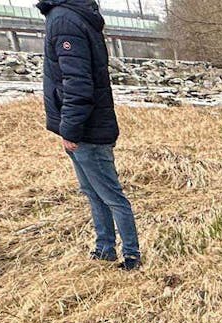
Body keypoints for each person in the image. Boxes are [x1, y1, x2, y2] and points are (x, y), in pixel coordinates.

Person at [38, 0, 141, 270]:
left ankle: (131, 256)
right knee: (93, 192)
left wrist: (69, 129)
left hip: (86, 130)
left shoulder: (64, 20)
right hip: (88, 127)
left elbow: (77, 83)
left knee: (110, 195)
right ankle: (104, 248)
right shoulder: (74, 16)